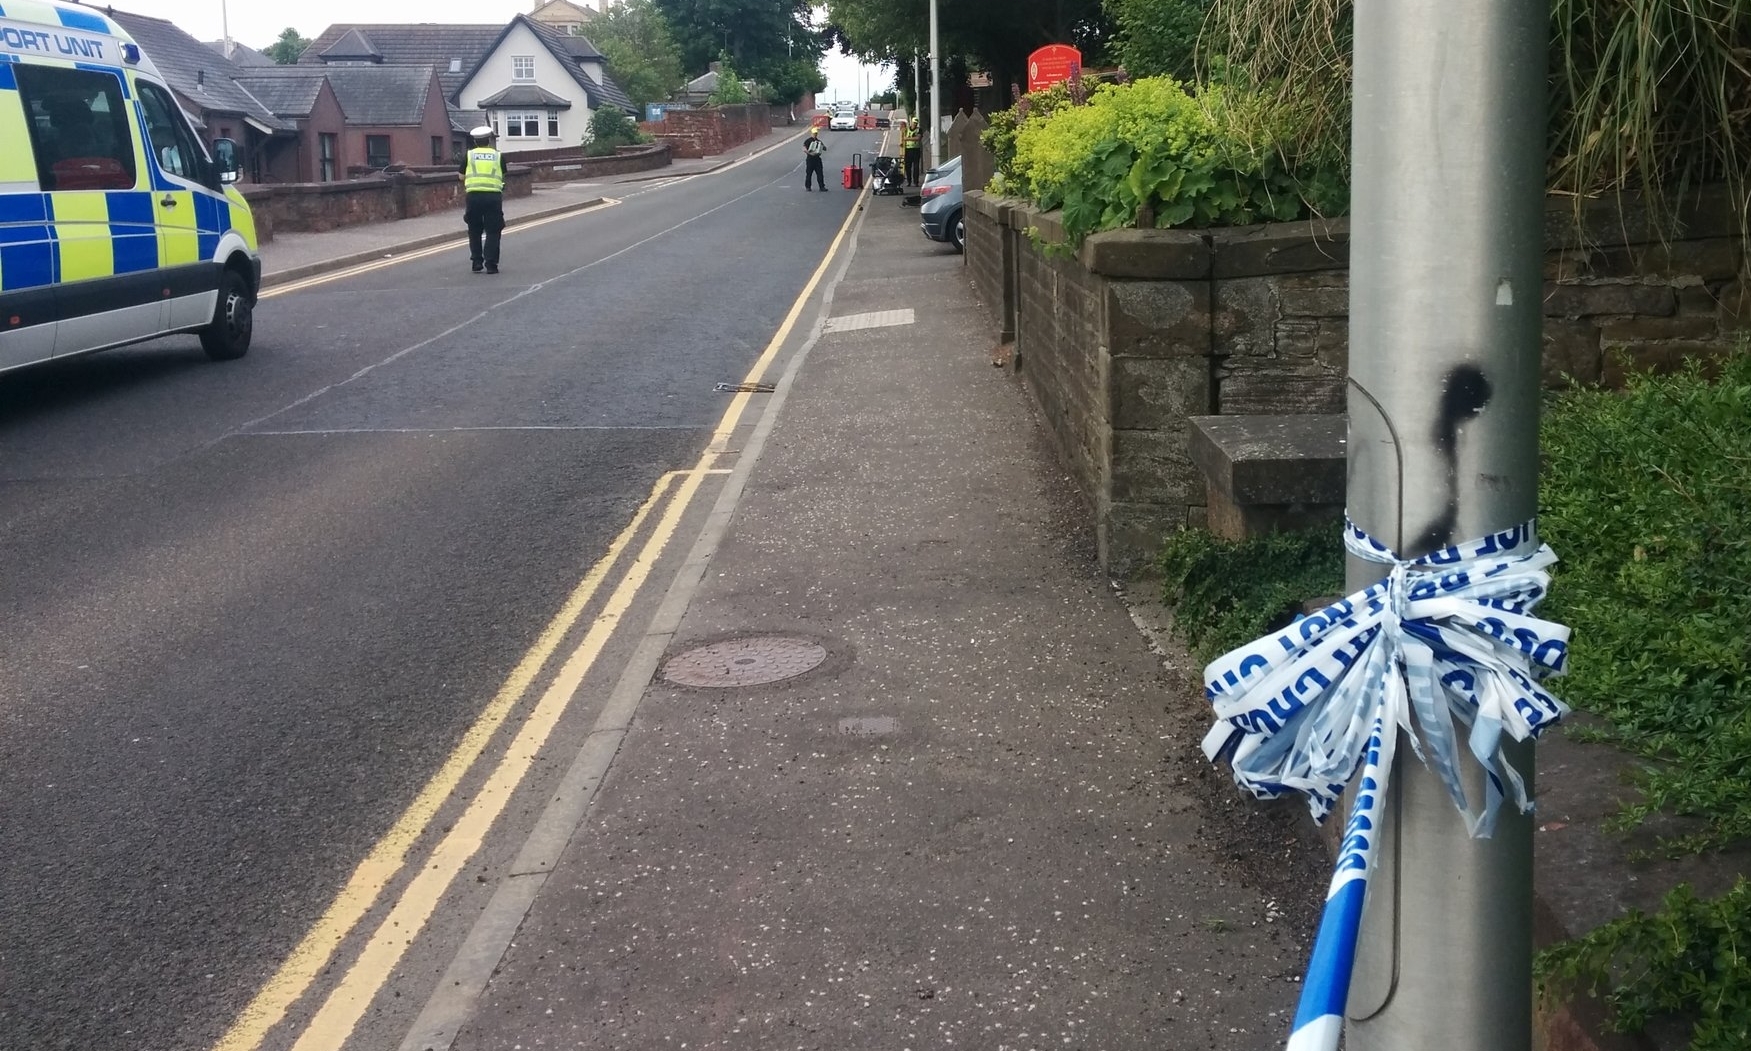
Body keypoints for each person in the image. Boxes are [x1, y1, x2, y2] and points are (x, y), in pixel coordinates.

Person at [458, 125, 505, 274]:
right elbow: (503, 175)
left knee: (474, 229)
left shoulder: (469, 155)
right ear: (489, 140)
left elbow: (461, 176)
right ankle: (491, 264)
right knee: (493, 230)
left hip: (473, 196)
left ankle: (477, 262)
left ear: (475, 141)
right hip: (493, 197)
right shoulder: (498, 155)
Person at [802, 126, 828, 191]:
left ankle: (822, 187)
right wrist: (809, 153)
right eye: (814, 133)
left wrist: (822, 147)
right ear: (811, 133)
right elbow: (804, 148)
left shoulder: (819, 141)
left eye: (816, 133)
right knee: (809, 174)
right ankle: (808, 187)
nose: (815, 134)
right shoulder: (808, 141)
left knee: (820, 173)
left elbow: (824, 148)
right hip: (810, 159)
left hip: (817, 160)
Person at [902, 118, 922, 186]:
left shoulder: (919, 130)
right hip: (908, 150)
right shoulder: (907, 129)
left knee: (916, 167)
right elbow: (902, 135)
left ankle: (916, 182)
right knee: (908, 167)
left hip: (916, 150)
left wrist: (907, 139)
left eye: (916, 123)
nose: (915, 124)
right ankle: (909, 181)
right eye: (914, 123)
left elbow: (918, 138)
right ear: (911, 122)